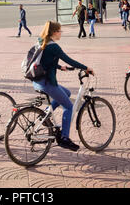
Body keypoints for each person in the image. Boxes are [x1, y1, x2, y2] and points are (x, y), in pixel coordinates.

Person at [33, 21, 94, 152]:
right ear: (54, 33)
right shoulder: (54, 47)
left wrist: (60, 67)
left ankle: (45, 114)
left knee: (66, 93)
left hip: (37, 80)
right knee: (69, 106)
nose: (61, 33)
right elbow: (69, 60)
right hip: (47, 83)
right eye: (60, 31)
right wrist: (86, 68)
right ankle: (65, 138)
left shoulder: (42, 40)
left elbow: (45, 62)